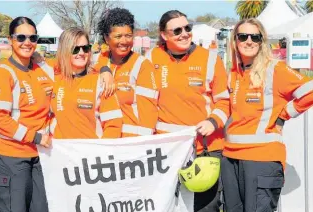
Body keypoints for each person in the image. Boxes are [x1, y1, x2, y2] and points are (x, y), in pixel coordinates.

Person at [222, 18, 313, 212]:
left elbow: (310, 91)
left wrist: (284, 115)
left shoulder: (275, 69)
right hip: (230, 158)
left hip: (261, 159)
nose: (249, 41)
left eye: (255, 37)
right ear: (234, 41)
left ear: (262, 41)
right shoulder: (232, 73)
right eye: (242, 36)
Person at [145, 10, 229, 212]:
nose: (184, 33)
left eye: (187, 28)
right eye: (177, 30)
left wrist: (212, 122)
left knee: (206, 208)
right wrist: (104, 72)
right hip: (168, 152)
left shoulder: (210, 59)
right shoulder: (151, 58)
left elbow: (224, 102)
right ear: (164, 35)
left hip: (205, 149)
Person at [0, 16, 52, 212]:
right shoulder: (1, 73)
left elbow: (75, 61)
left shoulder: (43, 69)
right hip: (11, 155)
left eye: (33, 38)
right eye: (21, 37)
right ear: (10, 39)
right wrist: (36, 137)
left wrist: (106, 69)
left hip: (38, 155)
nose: (27, 43)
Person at [95, 8, 159, 137]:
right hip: (104, 140)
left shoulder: (142, 65)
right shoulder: (98, 61)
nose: (124, 41)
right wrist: (104, 69)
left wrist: (143, 143)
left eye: (128, 36)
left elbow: (148, 112)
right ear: (107, 38)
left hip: (131, 142)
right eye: (118, 36)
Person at [50, 27, 123, 139]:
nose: (81, 53)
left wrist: (103, 151)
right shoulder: (53, 77)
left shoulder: (100, 82)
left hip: (89, 153)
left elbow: (114, 124)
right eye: (75, 49)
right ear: (64, 50)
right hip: (60, 153)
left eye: (85, 48)